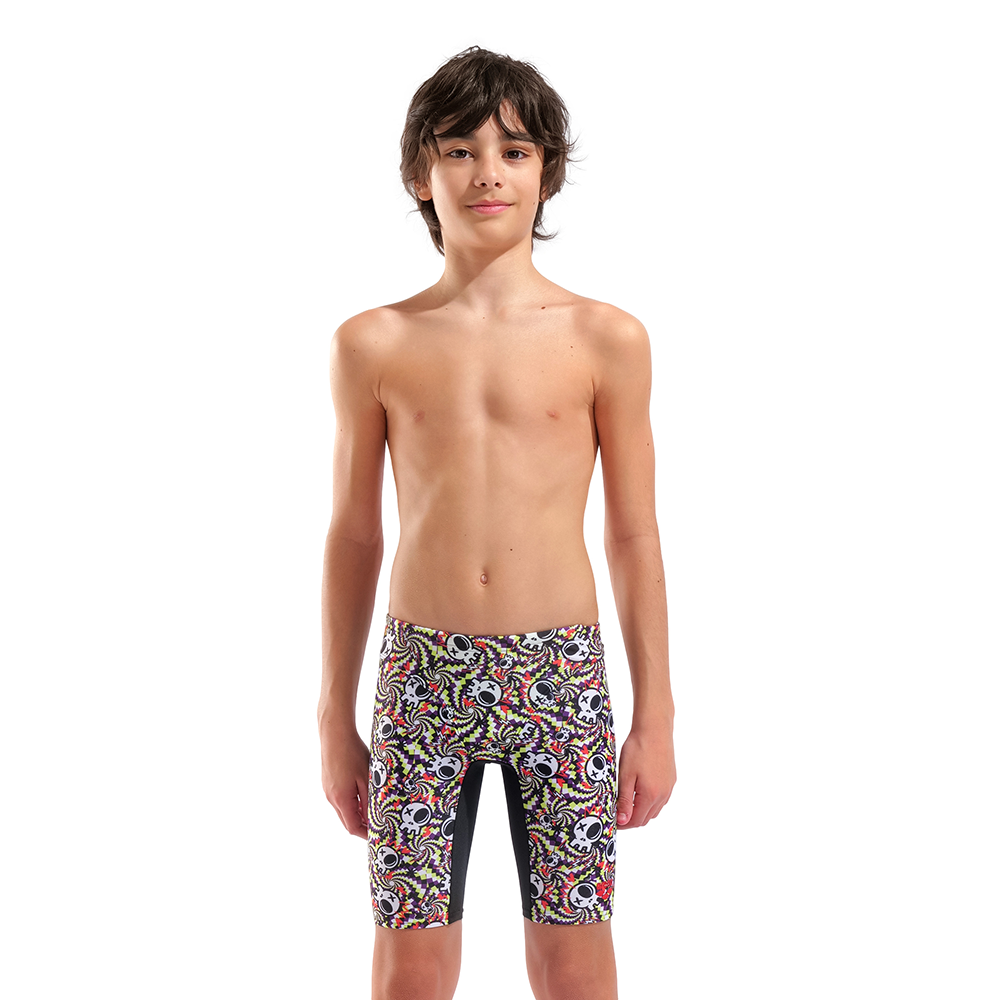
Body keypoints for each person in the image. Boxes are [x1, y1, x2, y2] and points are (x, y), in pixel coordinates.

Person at [318, 46, 675, 1000]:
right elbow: (354, 534)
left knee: (574, 959)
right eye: (460, 150)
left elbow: (634, 534)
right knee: (410, 963)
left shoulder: (605, 338)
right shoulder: (373, 342)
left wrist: (656, 715)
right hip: (421, 676)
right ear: (420, 174)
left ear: (546, 173)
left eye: (514, 151)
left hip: (559, 674)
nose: (488, 173)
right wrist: (333, 714)